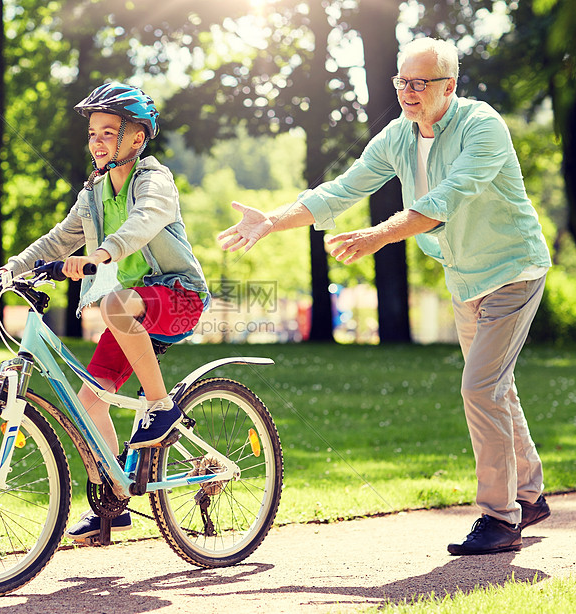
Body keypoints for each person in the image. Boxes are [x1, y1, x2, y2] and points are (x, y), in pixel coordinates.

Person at [218, 38, 552, 556]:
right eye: (402, 81)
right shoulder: (398, 136)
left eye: (420, 83)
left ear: (450, 86)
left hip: (513, 271)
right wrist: (272, 221)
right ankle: (528, 496)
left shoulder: (481, 127)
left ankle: (500, 517)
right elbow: (341, 190)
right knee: (494, 388)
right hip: (465, 278)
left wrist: (376, 236)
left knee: (481, 388)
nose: (407, 92)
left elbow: (446, 199)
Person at [0, 82, 209, 539]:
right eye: (92, 133)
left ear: (136, 138)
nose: (97, 142)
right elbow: (58, 239)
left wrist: (100, 255)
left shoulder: (153, 180)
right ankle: (114, 503)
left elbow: (144, 224)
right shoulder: (95, 194)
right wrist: (9, 270)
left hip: (178, 296)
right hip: (132, 313)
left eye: (109, 132)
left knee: (113, 303)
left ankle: (161, 408)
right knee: (89, 401)